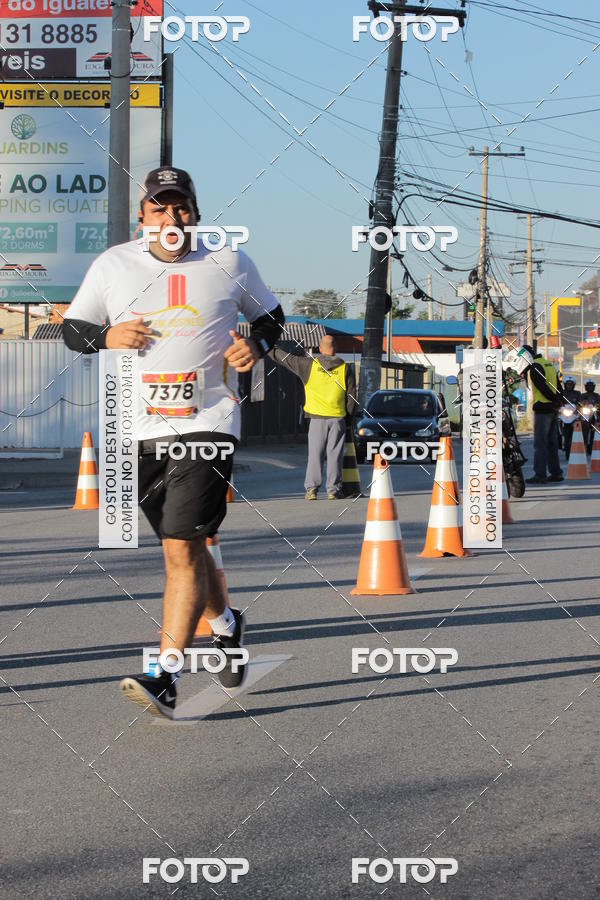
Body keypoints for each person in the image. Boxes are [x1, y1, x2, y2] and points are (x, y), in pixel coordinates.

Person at [62, 166, 284, 718]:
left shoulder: (228, 262)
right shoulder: (114, 265)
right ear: (143, 217)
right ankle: (226, 626)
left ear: (195, 212)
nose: (170, 217)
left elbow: (274, 318)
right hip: (138, 428)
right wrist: (106, 335)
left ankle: (165, 675)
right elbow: (71, 329)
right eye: (159, 208)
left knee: (182, 548)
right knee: (185, 543)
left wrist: (253, 345)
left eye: (180, 206)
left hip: (209, 421)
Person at [268, 335, 357, 499]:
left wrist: (267, 345)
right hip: (337, 418)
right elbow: (351, 398)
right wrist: (348, 420)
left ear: (320, 348)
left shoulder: (308, 365)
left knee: (315, 455)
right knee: (334, 455)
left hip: (316, 420)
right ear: (335, 348)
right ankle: (333, 490)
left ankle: (312, 489)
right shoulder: (345, 369)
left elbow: (286, 359)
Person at [520, 344, 564, 484]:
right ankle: (556, 473)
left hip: (543, 409)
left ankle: (540, 475)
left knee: (540, 444)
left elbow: (542, 387)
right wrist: (558, 401)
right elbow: (558, 386)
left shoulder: (535, 368)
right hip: (553, 410)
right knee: (552, 443)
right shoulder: (548, 364)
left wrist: (553, 400)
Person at [560, 376, 581, 458]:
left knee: (583, 423)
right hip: (563, 415)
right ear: (565, 384)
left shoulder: (577, 393)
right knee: (554, 424)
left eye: (571, 384)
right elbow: (558, 402)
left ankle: (582, 443)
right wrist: (558, 408)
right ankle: (557, 441)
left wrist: (579, 408)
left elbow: (580, 403)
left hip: (574, 415)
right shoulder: (561, 393)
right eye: (568, 384)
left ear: (574, 385)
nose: (569, 386)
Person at [580, 379, 600, 454]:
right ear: (586, 387)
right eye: (588, 386)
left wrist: (597, 406)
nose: (590, 387)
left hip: (594, 414)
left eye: (591, 386)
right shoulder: (582, 395)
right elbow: (579, 403)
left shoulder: (597, 395)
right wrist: (583, 404)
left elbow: (599, 404)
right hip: (585, 414)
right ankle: (584, 444)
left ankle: (593, 446)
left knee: (597, 424)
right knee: (582, 426)